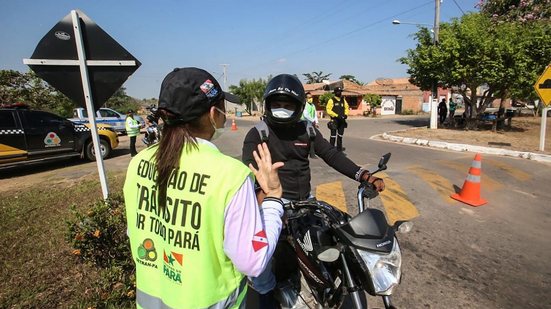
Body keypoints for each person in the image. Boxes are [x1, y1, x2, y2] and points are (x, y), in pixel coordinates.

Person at [123, 67, 285, 309]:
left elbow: (135, 230)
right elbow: (253, 261)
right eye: (222, 109)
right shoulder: (230, 175)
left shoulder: (138, 163)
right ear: (212, 113)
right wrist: (272, 199)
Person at [241, 74, 385, 307]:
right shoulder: (258, 134)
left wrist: (363, 175)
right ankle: (266, 298)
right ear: (268, 105)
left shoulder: (307, 130)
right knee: (264, 263)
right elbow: (247, 172)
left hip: (305, 202)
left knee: (327, 245)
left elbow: (331, 155)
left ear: (298, 107)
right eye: (277, 104)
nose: (282, 109)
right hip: (272, 203)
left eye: (288, 105)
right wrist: (261, 200)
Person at [325, 87, 349, 151]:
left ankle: (339, 149)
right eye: (338, 91)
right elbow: (328, 110)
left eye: (340, 91)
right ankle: (331, 149)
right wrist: (336, 115)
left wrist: (346, 114)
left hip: (342, 121)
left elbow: (346, 107)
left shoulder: (343, 100)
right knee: (333, 136)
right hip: (334, 121)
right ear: (335, 92)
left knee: (340, 135)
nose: (339, 93)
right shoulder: (331, 100)